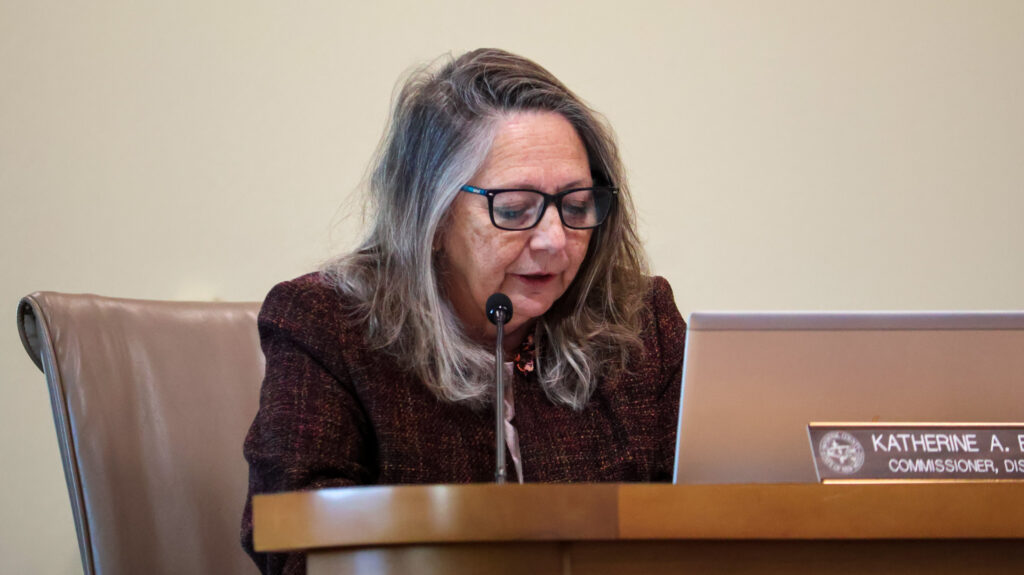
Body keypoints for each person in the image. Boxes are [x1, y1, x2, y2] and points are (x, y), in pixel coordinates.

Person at [241, 48, 686, 574]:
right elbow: (297, 546)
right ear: (429, 216)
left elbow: (714, 515)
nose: (554, 240)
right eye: (515, 209)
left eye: (575, 205)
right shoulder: (329, 326)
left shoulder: (639, 323)